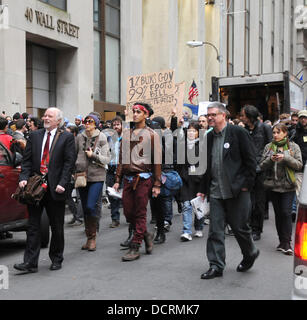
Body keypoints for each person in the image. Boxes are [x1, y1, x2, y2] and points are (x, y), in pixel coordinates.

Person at [198, 102, 259, 280]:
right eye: (208, 115)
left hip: (237, 191)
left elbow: (251, 161)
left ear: (223, 115)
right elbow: (206, 167)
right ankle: (216, 266)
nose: (210, 117)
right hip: (216, 192)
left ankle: (250, 253)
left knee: (240, 228)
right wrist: (202, 190)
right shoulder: (208, 138)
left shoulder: (238, 133)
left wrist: (246, 185)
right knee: (215, 231)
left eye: (213, 114)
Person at [14, 107, 76, 273]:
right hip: (35, 188)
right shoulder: (34, 136)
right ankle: (30, 263)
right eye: (45, 115)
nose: (46, 118)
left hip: (56, 188)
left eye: (50, 116)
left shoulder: (67, 137)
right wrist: (23, 178)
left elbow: (69, 163)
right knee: (33, 226)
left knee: (56, 226)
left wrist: (63, 182)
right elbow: (26, 161)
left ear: (58, 120)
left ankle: (56, 258)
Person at [113, 102, 162, 262]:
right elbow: (121, 158)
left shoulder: (152, 135)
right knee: (128, 212)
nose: (134, 114)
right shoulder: (126, 134)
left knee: (140, 212)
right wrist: (117, 179)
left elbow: (157, 161)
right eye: (133, 111)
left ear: (146, 115)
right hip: (127, 179)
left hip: (143, 179)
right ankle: (146, 234)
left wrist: (156, 184)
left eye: (138, 112)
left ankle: (135, 246)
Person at [260, 123, 302, 255]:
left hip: (288, 186)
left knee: (286, 213)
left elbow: (299, 165)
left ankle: (287, 242)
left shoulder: (293, 147)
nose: (275, 135)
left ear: (285, 133)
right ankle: (282, 241)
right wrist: (271, 159)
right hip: (273, 186)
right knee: (278, 214)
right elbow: (261, 165)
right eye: (274, 132)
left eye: (278, 132)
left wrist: (286, 157)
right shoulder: (269, 147)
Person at [75, 114, 110, 251]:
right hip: (81, 176)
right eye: (86, 121)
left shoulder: (102, 137)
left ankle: (93, 237)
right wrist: (73, 171)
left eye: (90, 121)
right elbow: (74, 154)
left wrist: (93, 156)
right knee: (84, 208)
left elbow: (106, 159)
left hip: (97, 176)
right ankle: (89, 237)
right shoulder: (79, 137)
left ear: (96, 124)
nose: (87, 123)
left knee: (90, 206)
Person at [240, 105, 272, 241]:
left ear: (250, 116)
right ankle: (248, 225)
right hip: (247, 170)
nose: (241, 118)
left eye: (243, 115)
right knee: (248, 201)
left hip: (261, 170)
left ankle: (257, 229)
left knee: (259, 202)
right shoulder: (244, 130)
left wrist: (262, 164)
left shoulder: (264, 128)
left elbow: (271, 146)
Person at [177, 122, 205, 241]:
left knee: (197, 204)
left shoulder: (203, 145)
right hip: (185, 179)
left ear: (198, 132)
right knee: (186, 205)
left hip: (198, 180)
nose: (191, 133)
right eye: (189, 130)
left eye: (194, 131)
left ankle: (199, 228)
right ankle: (186, 231)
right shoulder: (182, 145)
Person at [106, 116, 123, 228]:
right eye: (114, 125)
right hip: (111, 168)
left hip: (122, 168)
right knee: (112, 194)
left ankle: (131, 216)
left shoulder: (126, 138)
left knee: (124, 193)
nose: (116, 127)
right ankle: (115, 219)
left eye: (118, 124)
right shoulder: (109, 138)